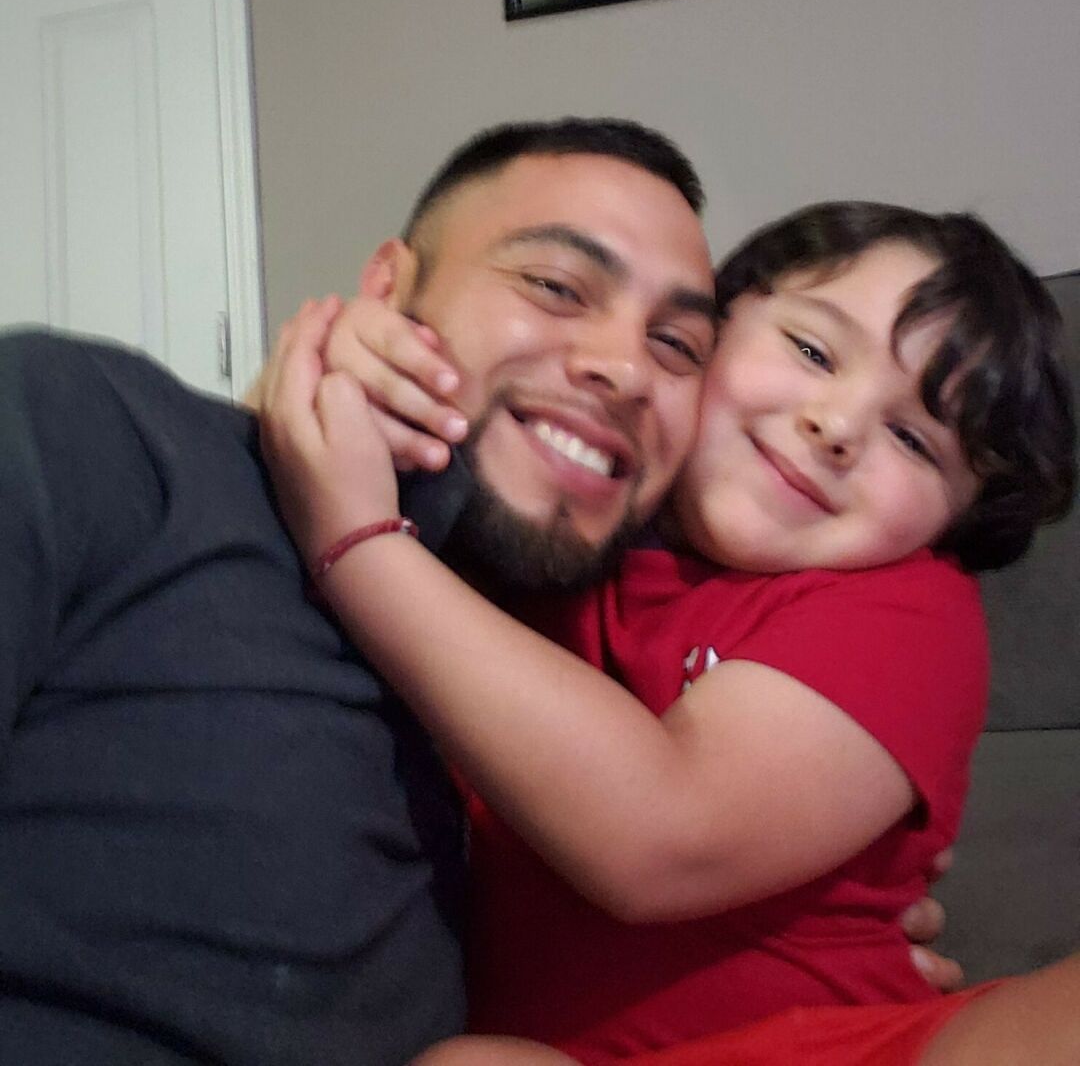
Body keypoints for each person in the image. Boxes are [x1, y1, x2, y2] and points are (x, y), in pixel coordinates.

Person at [0, 118, 956, 1063]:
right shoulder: (94, 429)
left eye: (676, 346)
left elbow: (669, 828)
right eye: (556, 286)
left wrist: (821, 920)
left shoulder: (596, 662)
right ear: (388, 287)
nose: (625, 368)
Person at [259, 199, 1077, 1066]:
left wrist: (360, 545)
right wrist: (360, 370)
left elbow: (659, 839)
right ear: (707, 333)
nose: (836, 427)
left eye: (913, 439)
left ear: (958, 519)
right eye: (812, 350)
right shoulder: (558, 532)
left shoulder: (909, 610)